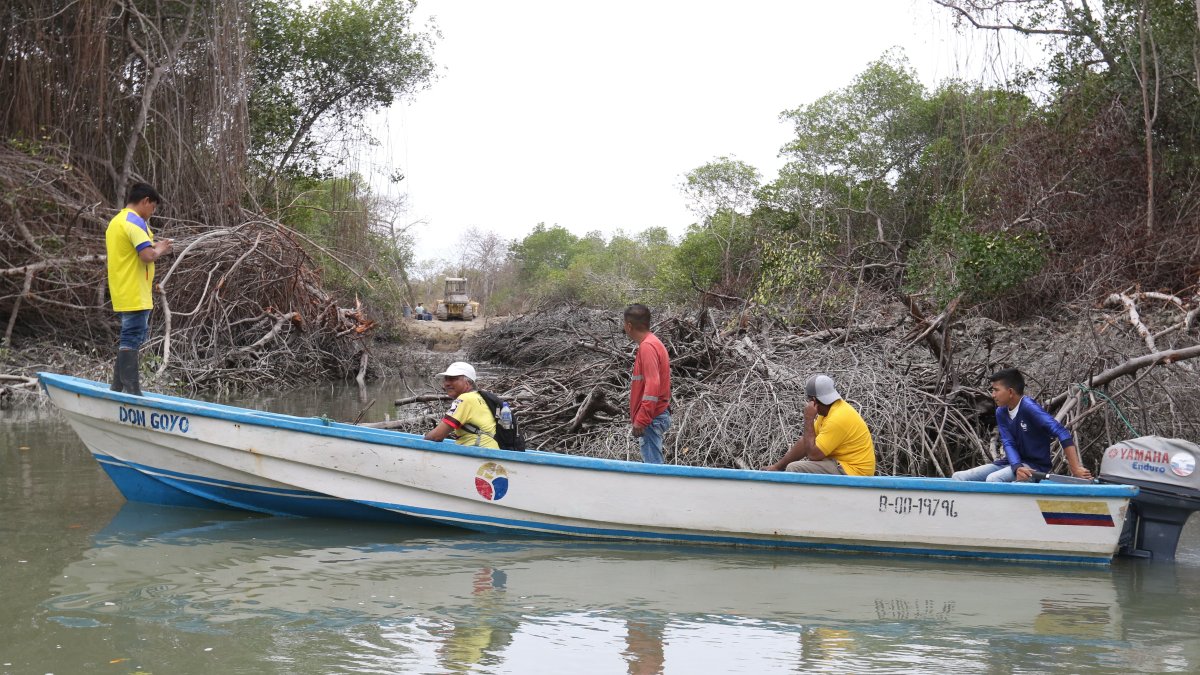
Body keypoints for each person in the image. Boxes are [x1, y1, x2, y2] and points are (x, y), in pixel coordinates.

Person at [953, 368, 1092, 482]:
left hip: (1034, 468)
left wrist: (1075, 468)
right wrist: (1017, 466)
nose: (993, 395)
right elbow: (1008, 442)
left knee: (993, 479)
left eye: (996, 390)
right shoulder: (1001, 412)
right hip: (1012, 464)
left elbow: (1061, 432)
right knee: (958, 477)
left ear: (1010, 392)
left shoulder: (1029, 408)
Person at [105, 182, 172, 396]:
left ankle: (117, 387)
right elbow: (147, 255)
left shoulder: (117, 221)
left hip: (122, 289)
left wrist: (155, 246)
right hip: (134, 291)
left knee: (130, 335)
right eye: (153, 207)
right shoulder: (135, 222)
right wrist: (161, 248)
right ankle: (132, 389)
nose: (152, 212)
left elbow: (136, 251)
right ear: (145, 201)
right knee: (132, 336)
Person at [763, 374, 876, 476]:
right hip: (843, 465)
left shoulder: (837, 418)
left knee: (795, 468)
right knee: (800, 466)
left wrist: (808, 419)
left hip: (855, 471)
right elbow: (805, 442)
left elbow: (813, 454)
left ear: (814, 400)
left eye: (809, 399)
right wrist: (777, 467)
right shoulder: (830, 410)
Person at [623, 304, 671, 463]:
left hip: (652, 418)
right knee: (654, 465)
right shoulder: (653, 342)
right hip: (655, 415)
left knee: (653, 468)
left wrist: (642, 418)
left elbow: (653, 385)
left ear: (629, 326)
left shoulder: (648, 347)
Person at [424, 361, 500, 449]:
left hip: (479, 451)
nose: (447, 384)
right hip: (489, 449)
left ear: (468, 382)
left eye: (453, 379)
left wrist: (424, 440)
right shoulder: (479, 397)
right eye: (446, 379)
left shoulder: (465, 399)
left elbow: (436, 436)